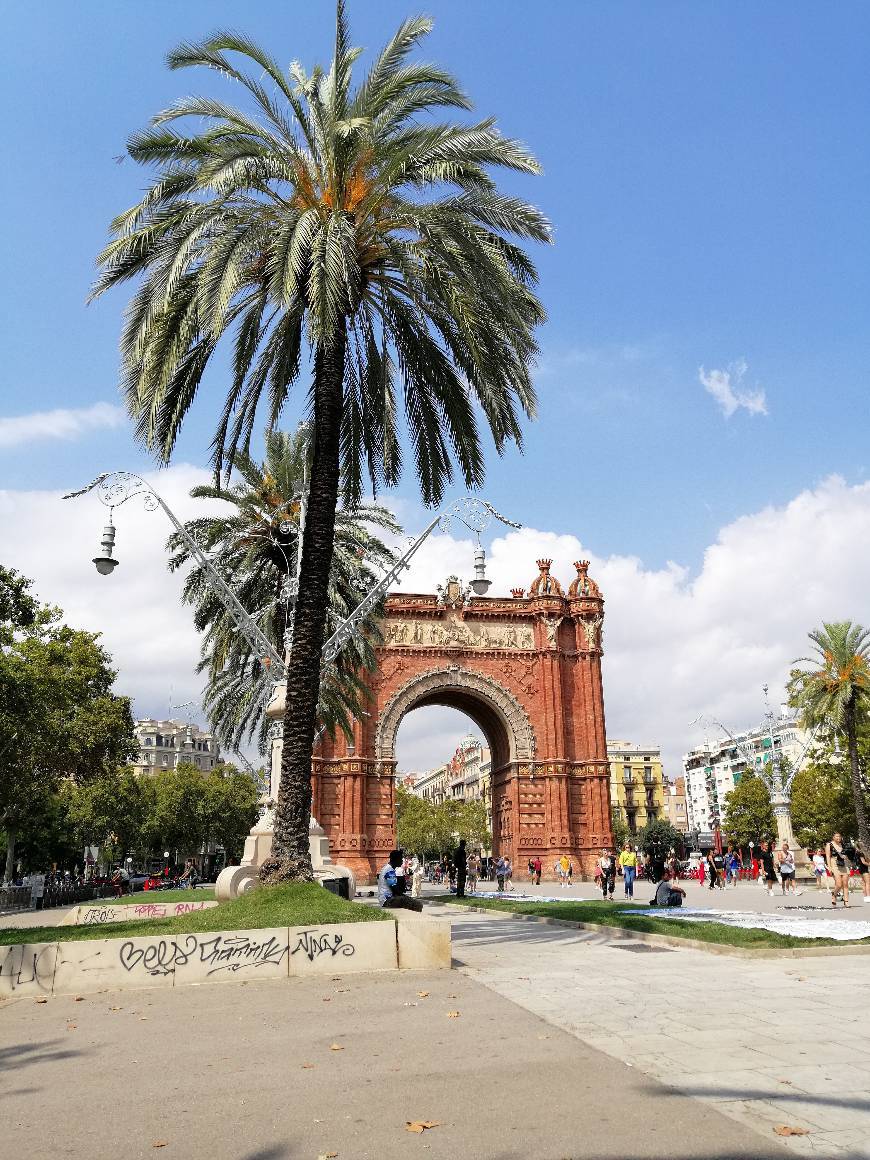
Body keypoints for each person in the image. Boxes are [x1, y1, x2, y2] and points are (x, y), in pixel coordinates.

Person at [826, 833, 851, 907]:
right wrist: (829, 867)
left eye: (839, 836)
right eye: (837, 836)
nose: (838, 837)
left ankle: (846, 901)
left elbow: (846, 854)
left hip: (843, 864)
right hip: (834, 863)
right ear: (833, 837)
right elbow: (828, 856)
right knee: (839, 884)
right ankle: (834, 895)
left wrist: (845, 857)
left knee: (845, 884)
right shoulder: (829, 845)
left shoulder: (843, 845)